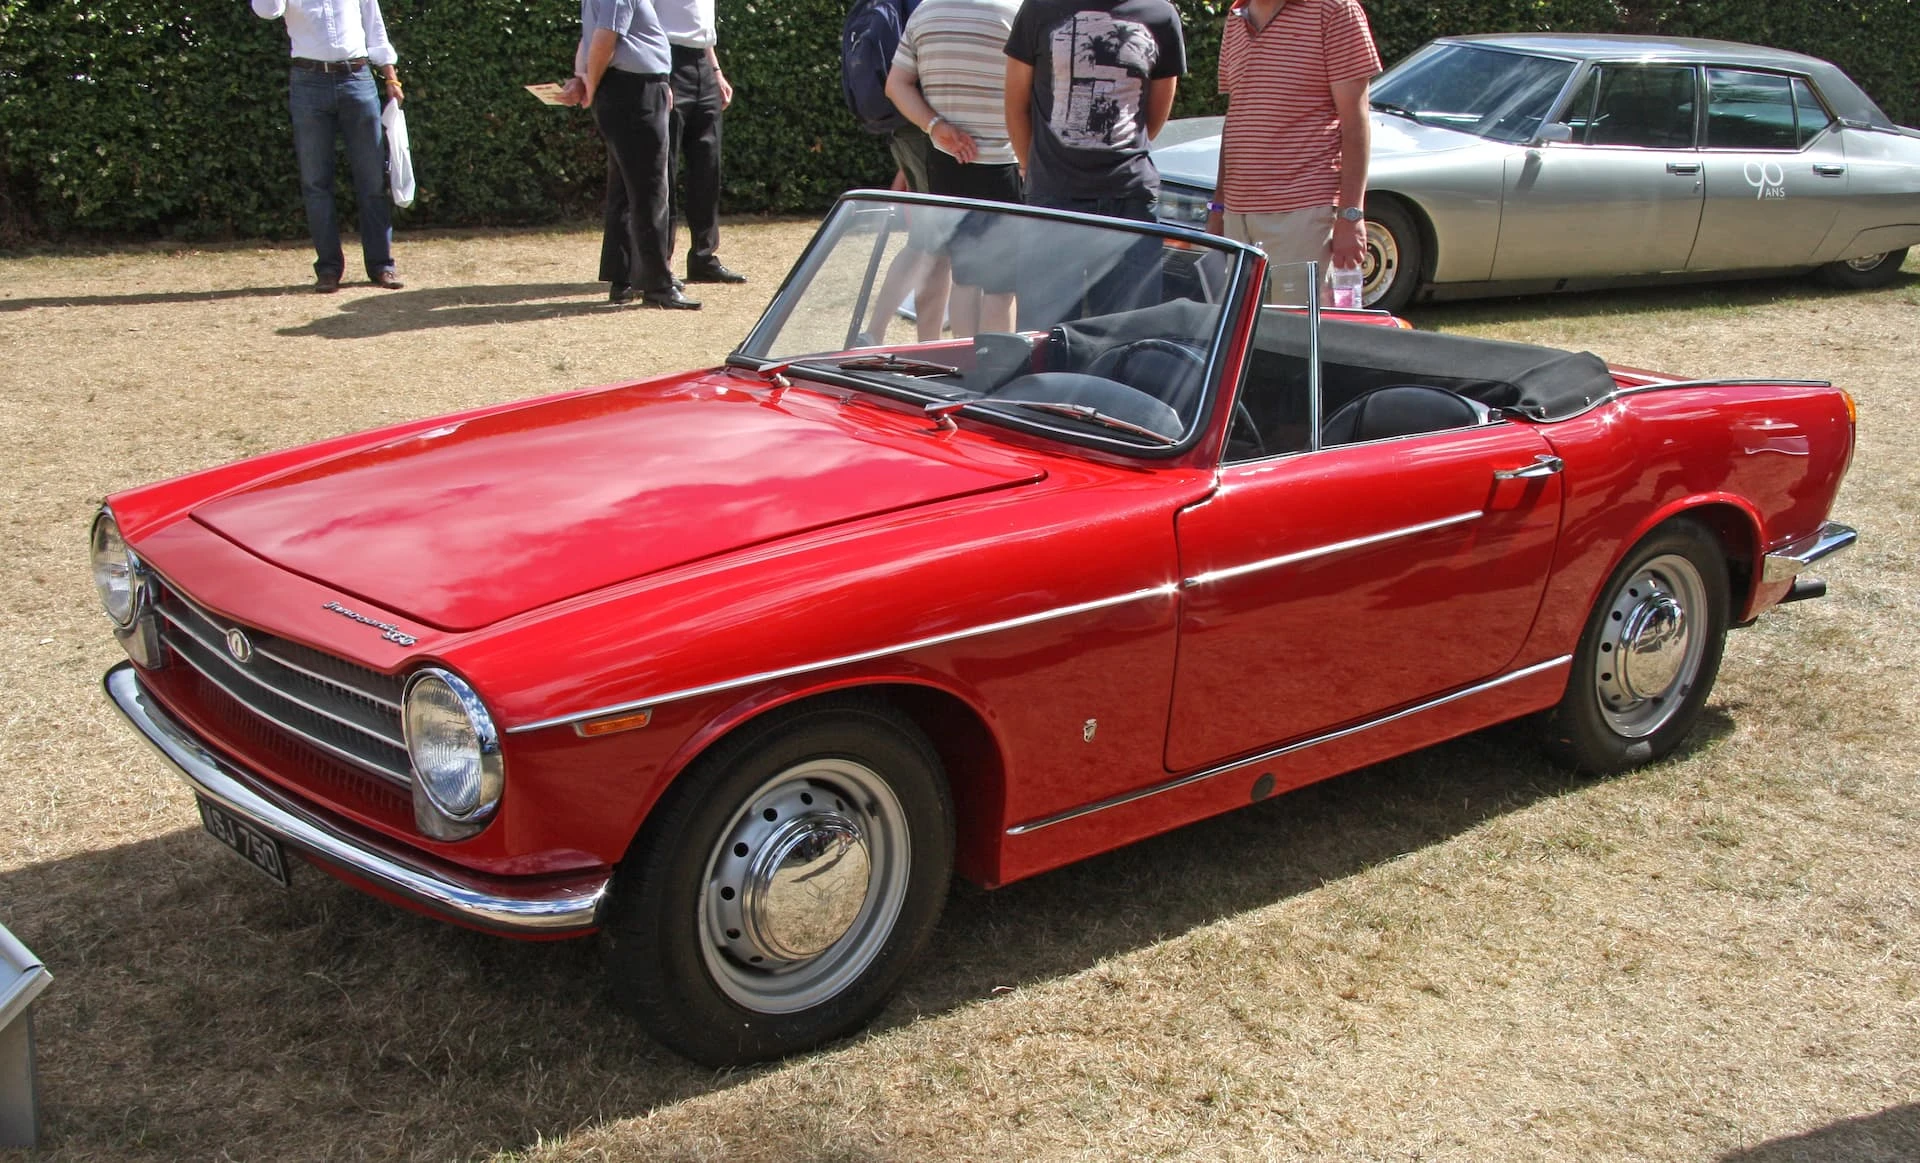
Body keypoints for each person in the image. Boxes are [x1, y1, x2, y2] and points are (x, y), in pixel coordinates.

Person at [1002, 0, 1184, 323]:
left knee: (1124, 339)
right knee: (1044, 339)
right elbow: (1015, 104)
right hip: (1052, 203)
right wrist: (1035, 170)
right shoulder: (1039, 9)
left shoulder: (1160, 15)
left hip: (1131, 204)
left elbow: (1153, 116)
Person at [1205, 0, 1380, 305]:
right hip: (1238, 216)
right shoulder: (1235, 17)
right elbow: (1237, 117)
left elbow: (1356, 123)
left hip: (1305, 214)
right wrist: (1219, 208)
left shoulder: (1335, 10)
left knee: (1300, 340)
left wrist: (1351, 215)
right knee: (1244, 343)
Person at [885, 0, 1023, 335]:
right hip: (1004, 163)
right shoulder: (1018, 12)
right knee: (1000, 288)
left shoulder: (926, 11)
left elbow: (896, 85)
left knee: (964, 279)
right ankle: (994, 370)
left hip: (945, 164)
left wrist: (934, 125)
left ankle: (963, 365)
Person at [251, 0, 406, 293]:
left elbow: (374, 27)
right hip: (309, 82)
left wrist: (390, 76)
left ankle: (382, 265)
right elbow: (267, 10)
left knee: (372, 178)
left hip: (357, 78)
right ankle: (328, 268)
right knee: (315, 182)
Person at [562, 0, 702, 309]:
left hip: (630, 88)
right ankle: (657, 286)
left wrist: (582, 78)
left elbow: (591, 38)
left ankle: (627, 278)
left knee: (627, 190)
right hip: (635, 90)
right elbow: (605, 36)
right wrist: (589, 84)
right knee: (651, 189)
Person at [655, 0, 747, 284]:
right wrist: (658, 75)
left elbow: (702, 29)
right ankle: (660, 264)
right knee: (664, 172)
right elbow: (645, 21)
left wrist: (716, 71)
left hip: (702, 67)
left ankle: (703, 258)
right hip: (667, 60)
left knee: (708, 167)